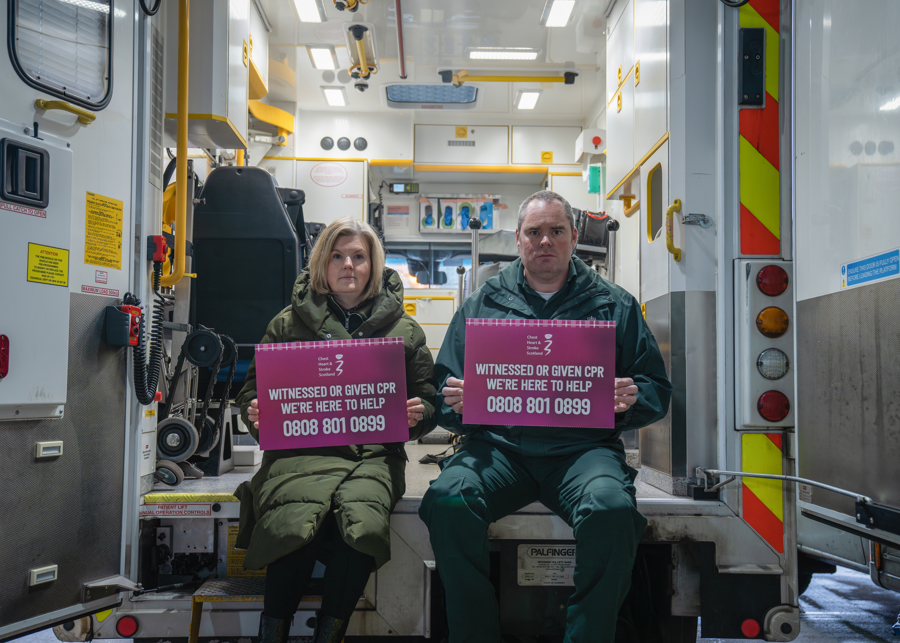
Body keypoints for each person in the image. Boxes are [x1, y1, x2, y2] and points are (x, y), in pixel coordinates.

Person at [419, 190, 671, 643]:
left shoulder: (614, 304)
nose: (545, 241)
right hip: (498, 451)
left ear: (574, 237)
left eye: (556, 231)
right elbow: (442, 390)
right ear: (518, 239)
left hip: (582, 452)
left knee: (612, 509)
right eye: (534, 232)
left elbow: (656, 388)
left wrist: (633, 398)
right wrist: (453, 403)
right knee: (448, 501)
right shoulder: (482, 304)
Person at [233, 218, 437, 643]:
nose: (348, 265)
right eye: (338, 256)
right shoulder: (286, 324)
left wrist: (422, 412)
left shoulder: (406, 330)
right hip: (299, 453)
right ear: (322, 263)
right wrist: (254, 410)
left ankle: (331, 634)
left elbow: (427, 398)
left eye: (359, 257)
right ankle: (273, 633)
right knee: (292, 518)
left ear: (373, 264)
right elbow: (252, 392)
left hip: (372, 455)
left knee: (359, 526)